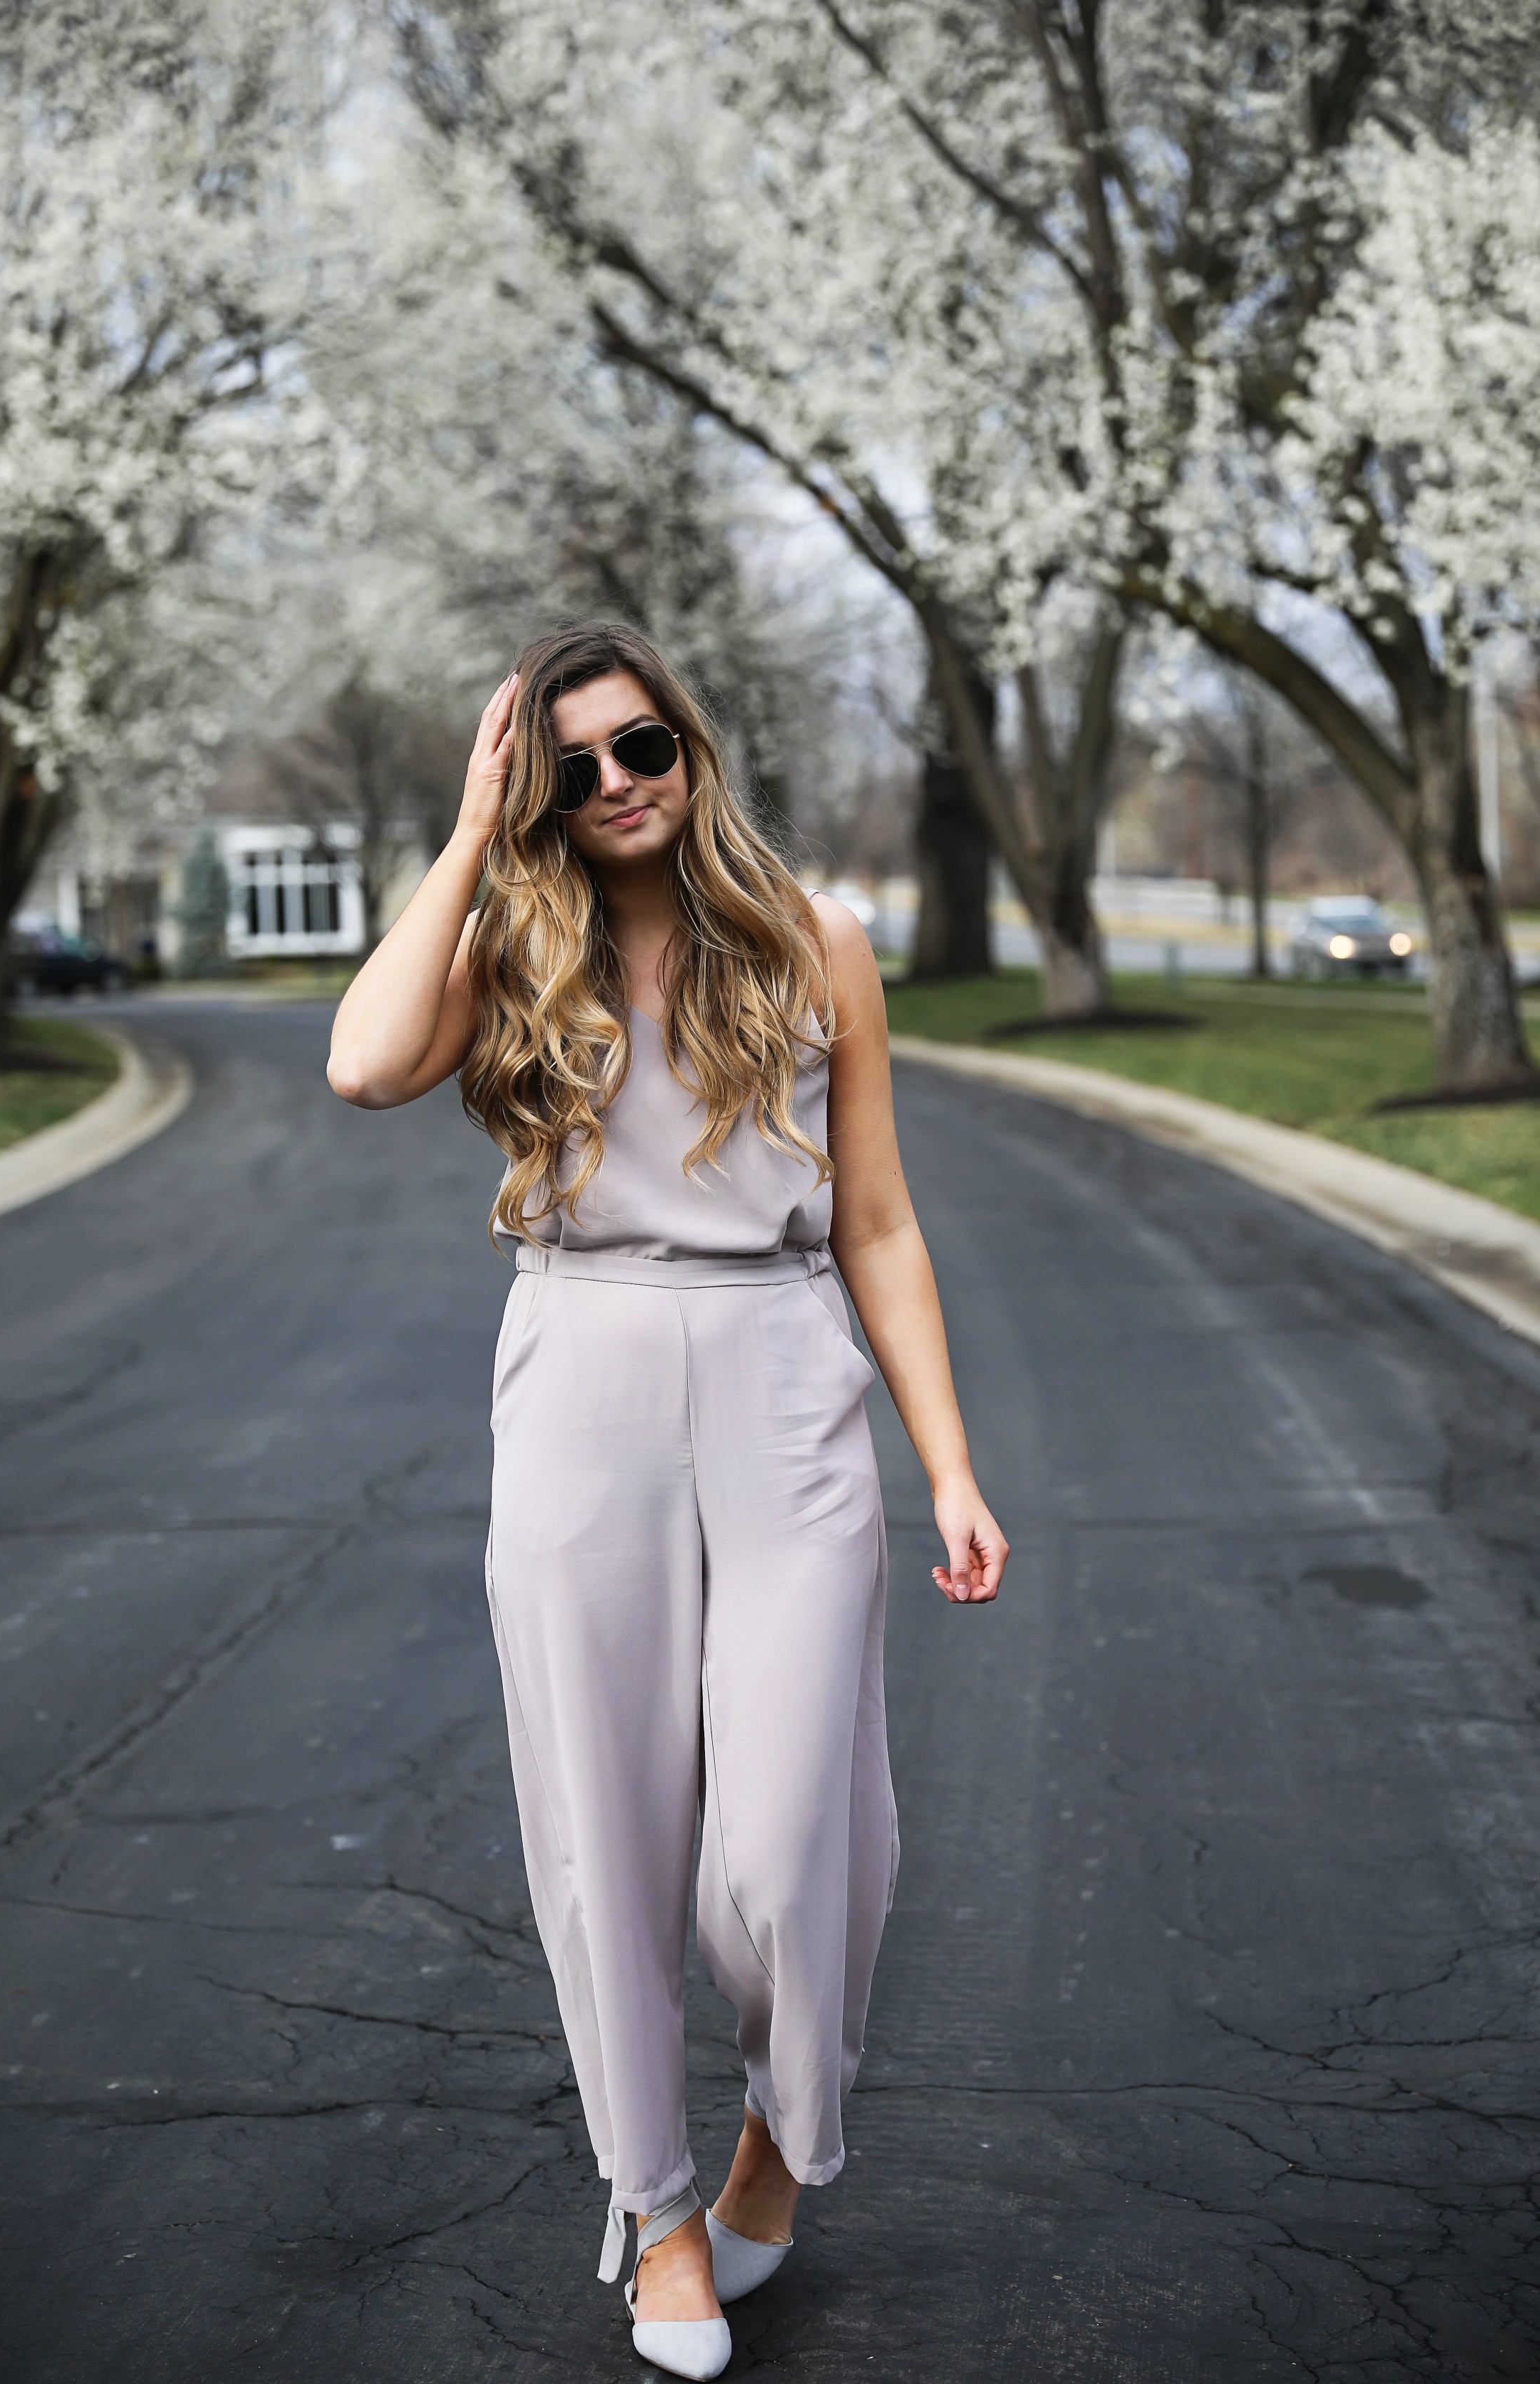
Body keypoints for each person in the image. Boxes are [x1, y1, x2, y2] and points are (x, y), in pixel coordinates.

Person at [327, 622, 1006, 2379]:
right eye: (573, 768)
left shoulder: (812, 943)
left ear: (688, 751)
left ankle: (782, 2133)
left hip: (784, 1380)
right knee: (604, 1840)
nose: (617, 787)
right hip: (583, 1380)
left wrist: (946, 1461)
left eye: (642, 749)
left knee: (794, 1853)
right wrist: (474, 834)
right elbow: (361, 1064)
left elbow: (875, 1224)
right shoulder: (507, 946)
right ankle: (656, 2208)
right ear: (532, 788)